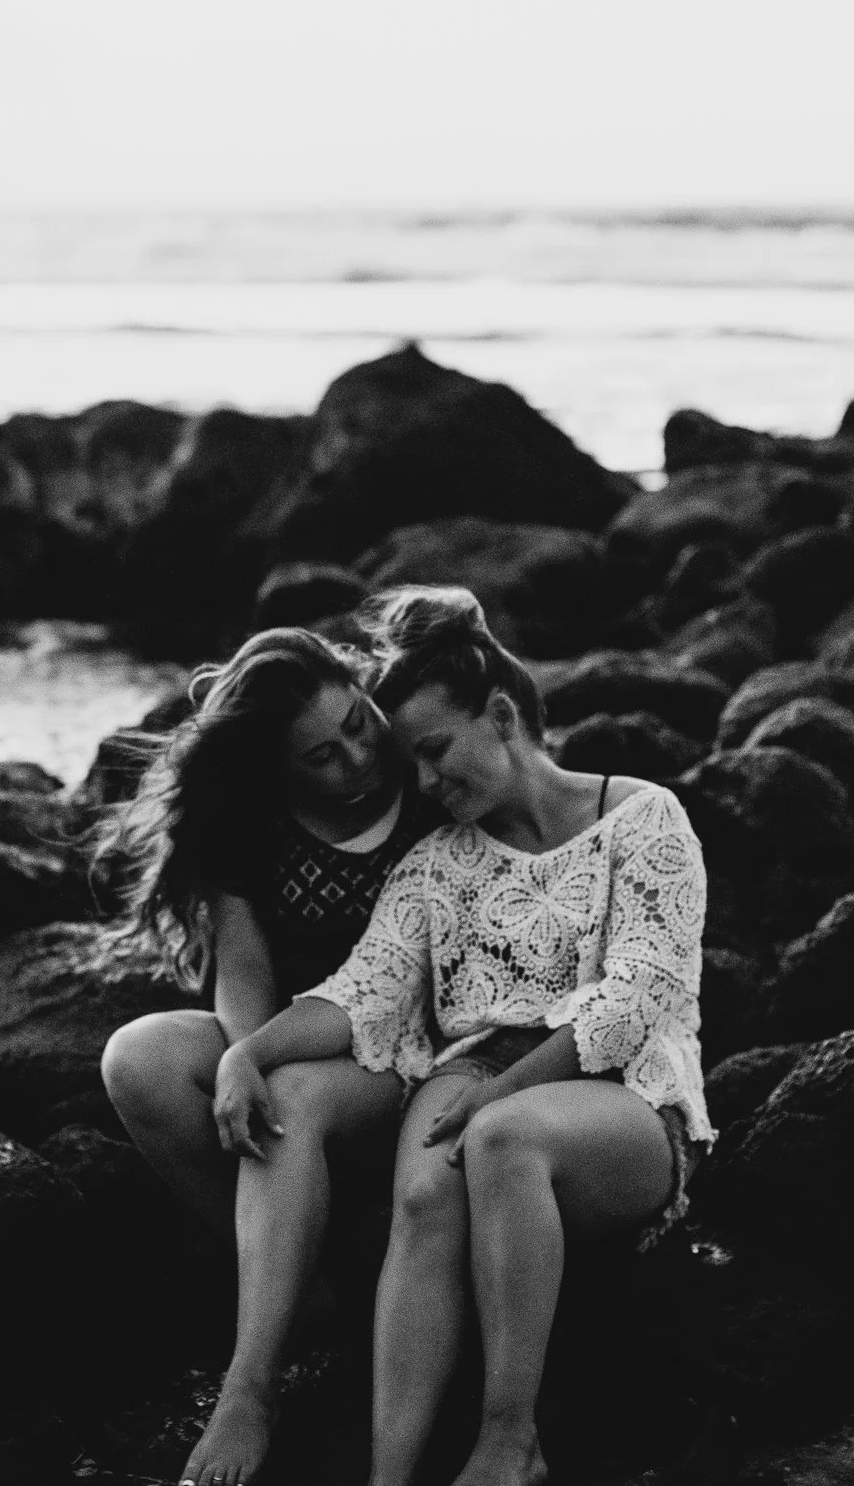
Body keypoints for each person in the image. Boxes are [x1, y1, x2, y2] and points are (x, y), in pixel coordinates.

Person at [221, 588, 709, 1486]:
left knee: (502, 1135)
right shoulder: (438, 860)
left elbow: (640, 993)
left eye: (439, 753)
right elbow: (361, 989)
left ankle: (508, 1438)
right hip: (473, 1072)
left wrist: (511, 1084)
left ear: (501, 714)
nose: (431, 786)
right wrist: (246, 1052)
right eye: (416, 768)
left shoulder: (646, 820)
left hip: (625, 1103)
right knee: (421, 1191)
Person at [97, 627, 442, 1486]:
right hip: (290, 1033)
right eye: (322, 755)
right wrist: (237, 1056)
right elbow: (243, 973)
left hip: (408, 1053)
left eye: (359, 723)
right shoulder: (247, 821)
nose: (358, 757)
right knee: (136, 1056)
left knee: (285, 1090)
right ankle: (306, 1282)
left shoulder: (427, 784)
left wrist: (262, 1060)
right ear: (278, 765)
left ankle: (250, 1384)